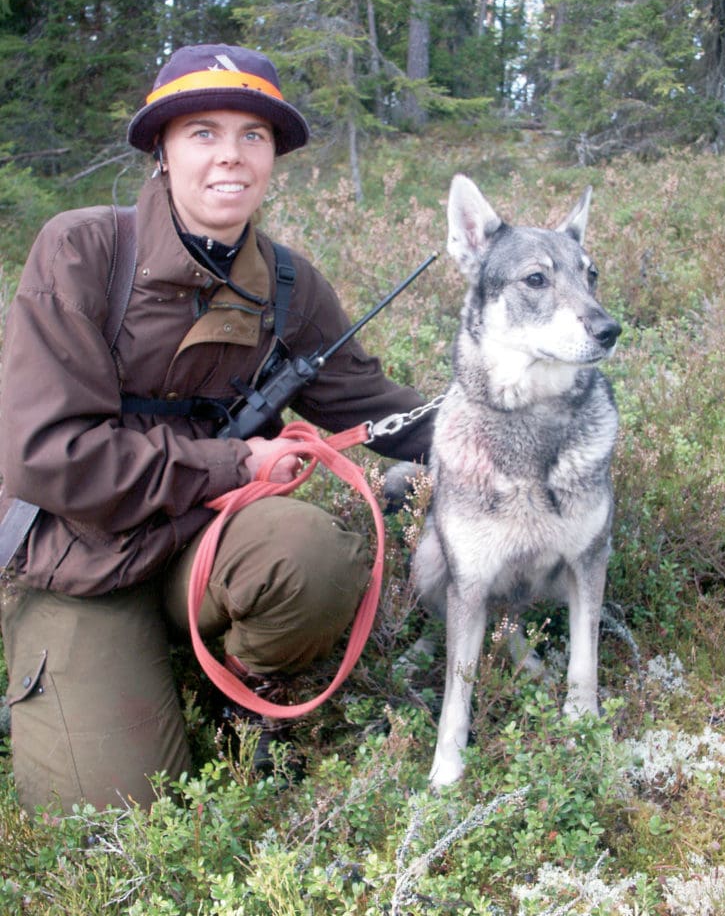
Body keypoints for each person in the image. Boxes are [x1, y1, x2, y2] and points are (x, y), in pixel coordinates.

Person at [0, 44, 432, 813]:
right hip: (78, 561)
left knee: (311, 555)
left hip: (197, 548)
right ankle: (100, 668)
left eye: (252, 136)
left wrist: (503, 419)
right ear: (161, 151)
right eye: (202, 131)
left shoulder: (289, 286)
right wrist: (234, 465)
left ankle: (241, 685)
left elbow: (371, 408)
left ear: (272, 157)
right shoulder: (82, 251)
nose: (230, 156)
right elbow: (48, 457)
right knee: (109, 822)